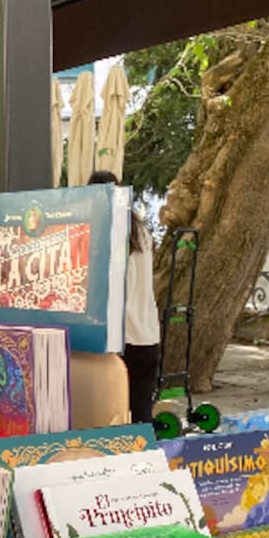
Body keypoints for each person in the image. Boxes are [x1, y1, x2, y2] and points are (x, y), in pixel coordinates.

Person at [89, 170, 161, 423]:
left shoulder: (106, 231)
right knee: (142, 411)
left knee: (113, 416)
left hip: (119, 337)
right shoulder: (141, 229)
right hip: (147, 332)